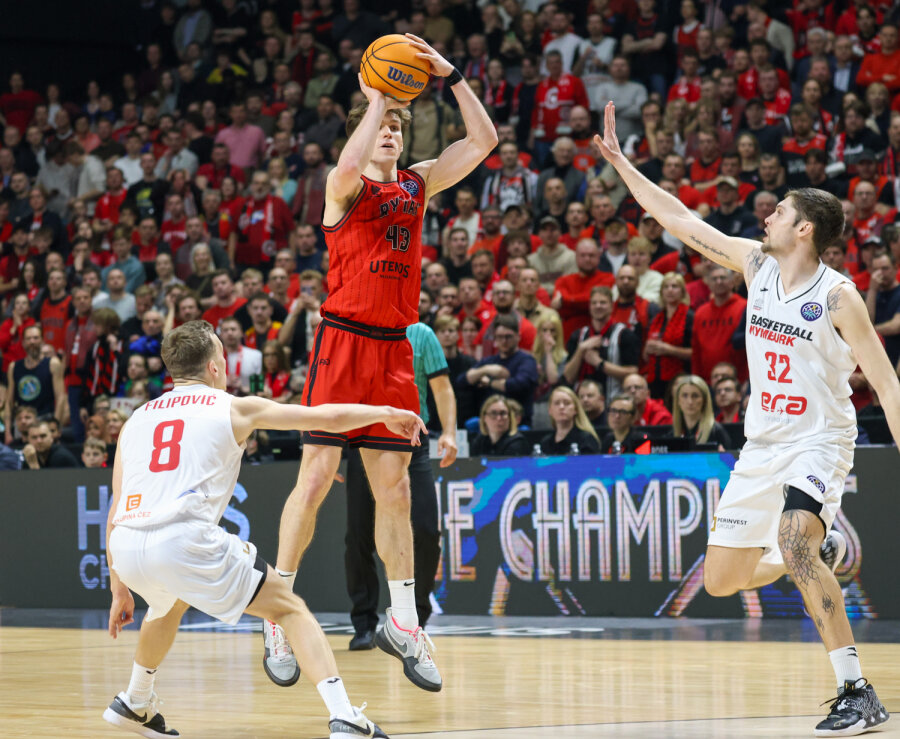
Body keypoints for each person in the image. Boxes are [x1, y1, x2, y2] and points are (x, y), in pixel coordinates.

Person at [595, 101, 899, 733]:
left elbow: (885, 381)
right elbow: (679, 218)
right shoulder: (756, 265)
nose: (767, 216)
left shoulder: (838, 297)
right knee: (721, 580)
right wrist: (622, 165)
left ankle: (856, 690)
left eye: (779, 211)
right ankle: (819, 549)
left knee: (793, 540)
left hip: (819, 439)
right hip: (762, 444)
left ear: (805, 229)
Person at [266, 34, 496, 691]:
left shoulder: (418, 185)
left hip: (394, 349)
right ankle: (277, 612)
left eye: (400, 123)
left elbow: (483, 141)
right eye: (383, 124)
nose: (392, 131)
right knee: (315, 479)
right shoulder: (342, 188)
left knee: (395, 491)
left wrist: (451, 76)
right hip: (342, 342)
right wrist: (376, 99)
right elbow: (348, 162)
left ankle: (403, 621)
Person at [103, 320, 424, 739]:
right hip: (183, 538)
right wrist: (386, 412)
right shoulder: (232, 407)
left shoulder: (135, 420)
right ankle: (345, 716)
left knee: (167, 605)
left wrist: (119, 587)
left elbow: (115, 508)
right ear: (214, 367)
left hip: (128, 547)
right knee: (289, 609)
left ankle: (135, 700)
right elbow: (326, 416)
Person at [344, 321, 457, 649]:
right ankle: (364, 623)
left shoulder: (422, 334)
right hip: (363, 441)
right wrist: (331, 446)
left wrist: (449, 432)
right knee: (359, 536)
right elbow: (340, 392)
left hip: (412, 441)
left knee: (426, 530)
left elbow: (442, 388)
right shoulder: (355, 332)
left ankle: (414, 619)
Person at [4, 325, 66, 444]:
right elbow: (9, 402)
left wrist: (54, 427)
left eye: (36, 338)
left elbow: (61, 397)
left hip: (45, 421)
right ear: (23, 342)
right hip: (22, 423)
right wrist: (7, 431)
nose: (32, 341)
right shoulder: (14, 367)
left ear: (42, 340)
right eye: (28, 338)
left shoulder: (53, 364)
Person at [672, 375, 732, 450]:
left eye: (695, 396)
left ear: (704, 400)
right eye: (685, 395)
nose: (690, 401)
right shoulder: (672, 434)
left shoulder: (717, 432)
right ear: (678, 400)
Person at [538, 386, 600, 455]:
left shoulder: (586, 439)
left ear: (576, 409)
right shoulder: (545, 443)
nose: (561, 407)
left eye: (566, 403)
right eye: (557, 403)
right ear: (550, 410)